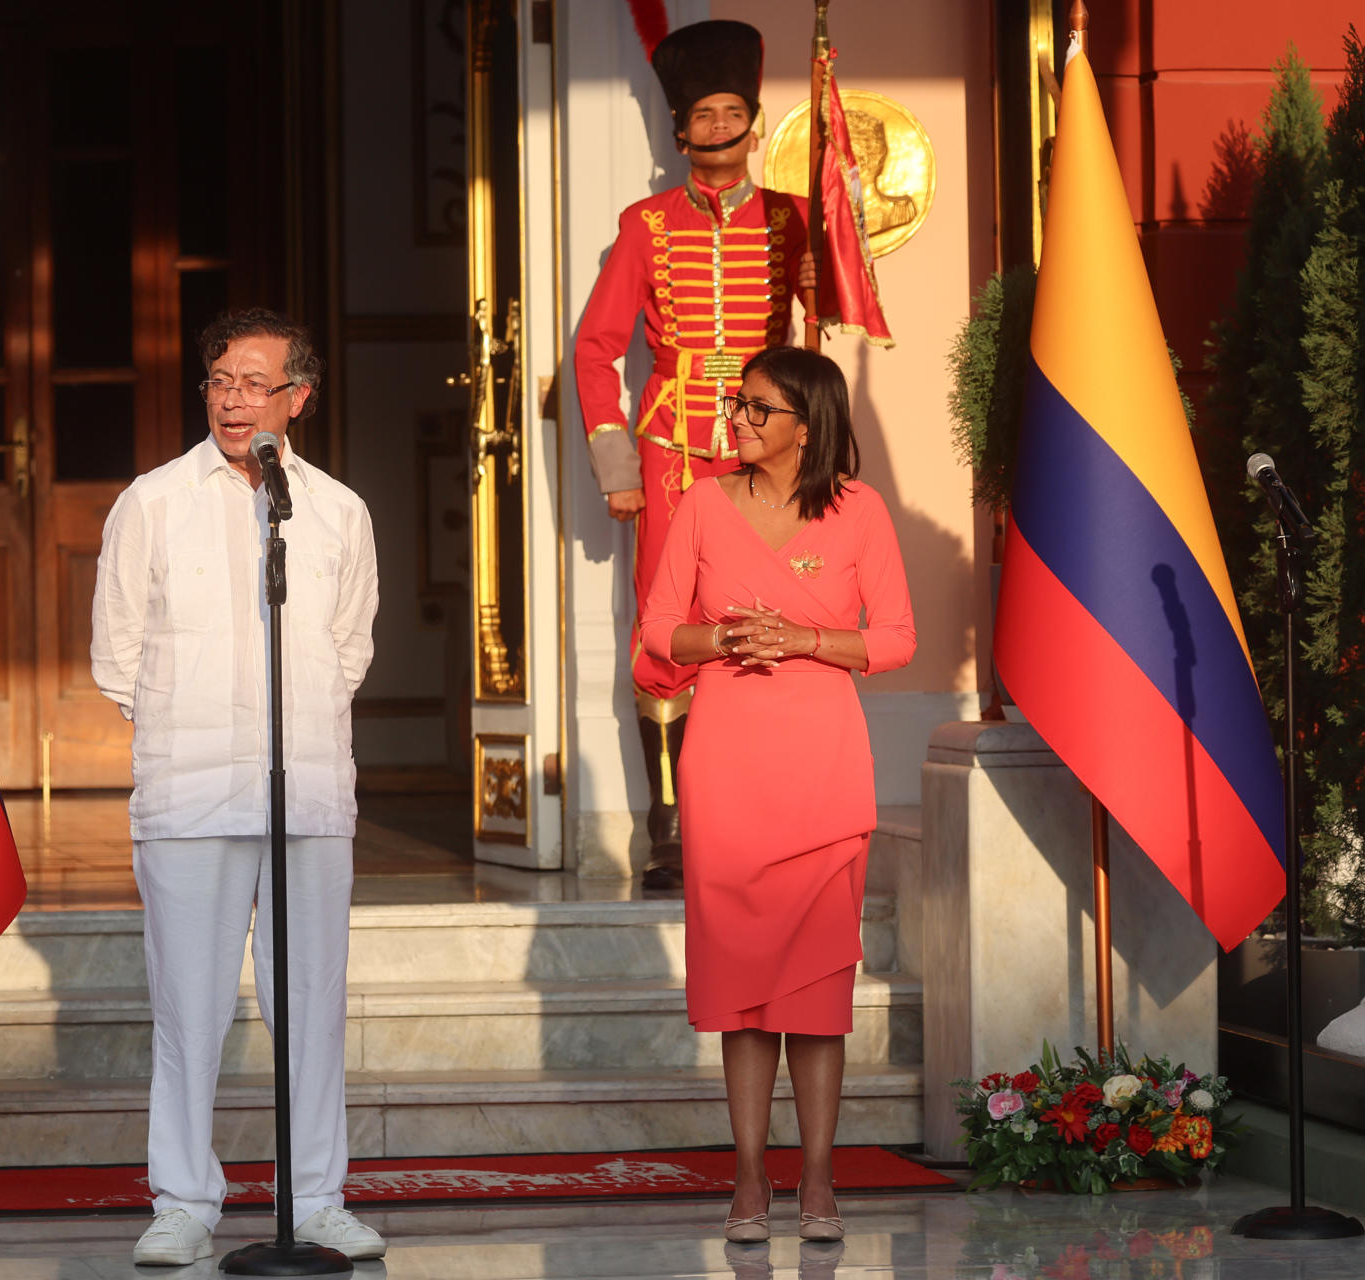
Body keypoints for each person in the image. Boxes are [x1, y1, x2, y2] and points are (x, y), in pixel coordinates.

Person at [91, 309, 385, 1266]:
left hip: (308, 791)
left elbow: (348, 648)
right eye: (220, 380)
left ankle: (316, 1198)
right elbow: (117, 655)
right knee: (189, 1006)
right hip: (189, 792)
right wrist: (188, 724)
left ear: (299, 398)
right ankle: (183, 1201)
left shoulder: (335, 510)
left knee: (313, 1005)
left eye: (255, 383)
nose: (232, 399)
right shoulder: (152, 501)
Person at [639, 346, 914, 1242]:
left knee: (816, 994)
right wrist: (723, 639)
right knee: (743, 988)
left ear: (807, 423)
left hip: (822, 766)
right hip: (726, 764)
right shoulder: (701, 502)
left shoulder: (859, 510)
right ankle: (751, 1178)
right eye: (739, 403)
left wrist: (802, 639)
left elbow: (897, 639)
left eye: (758, 408)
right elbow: (656, 631)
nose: (739, 419)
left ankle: (820, 1180)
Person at [573, 19, 812, 890]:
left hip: (768, 451)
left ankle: (754, 813)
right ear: (681, 131)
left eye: (731, 112)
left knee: (766, 616)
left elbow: (823, 331)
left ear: (752, 122)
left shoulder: (793, 219)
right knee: (668, 625)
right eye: (702, 115)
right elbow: (595, 349)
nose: (718, 126)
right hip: (672, 452)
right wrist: (618, 469)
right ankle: (669, 826)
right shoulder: (644, 225)